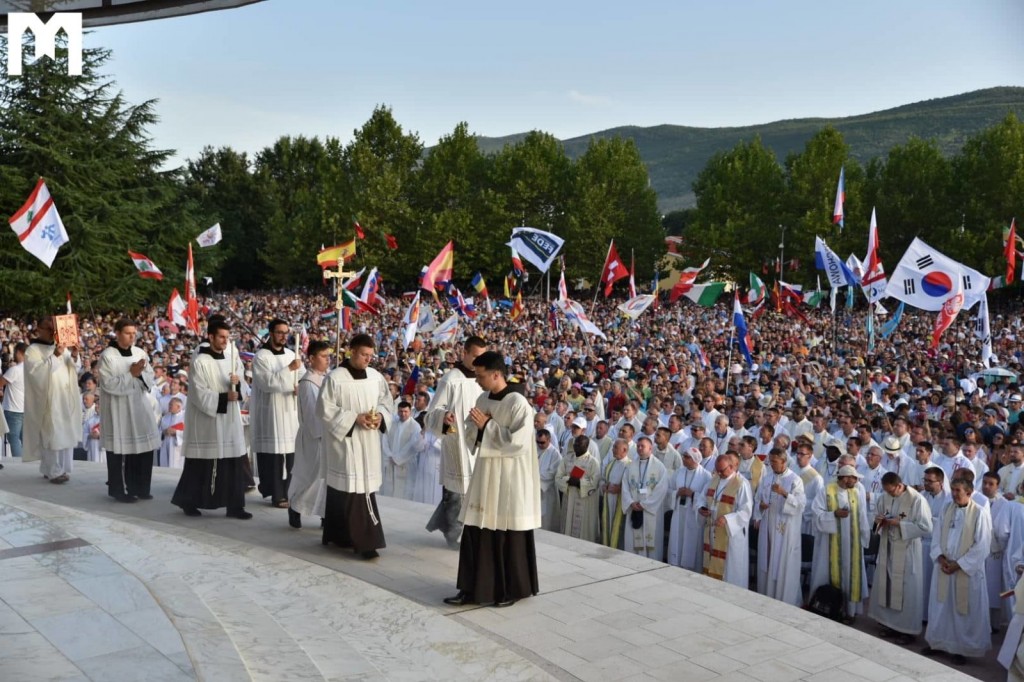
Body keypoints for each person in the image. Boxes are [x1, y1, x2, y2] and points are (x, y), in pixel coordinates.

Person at [444, 350, 541, 607]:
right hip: (485, 474)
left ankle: (509, 590)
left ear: (497, 374)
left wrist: (487, 427)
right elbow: (469, 431)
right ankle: (470, 588)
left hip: (509, 479)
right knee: (475, 531)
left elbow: (518, 444)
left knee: (505, 534)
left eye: (481, 375)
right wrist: (474, 427)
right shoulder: (482, 398)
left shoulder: (518, 404)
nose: (477, 380)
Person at [317, 333, 393, 559]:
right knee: (354, 491)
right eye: (363, 354)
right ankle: (367, 543)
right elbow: (324, 410)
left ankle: (338, 534)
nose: (368, 359)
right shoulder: (335, 378)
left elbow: (386, 402)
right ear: (351, 351)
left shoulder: (375, 376)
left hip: (368, 442)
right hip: (346, 444)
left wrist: (379, 416)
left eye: (371, 355)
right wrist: (354, 418)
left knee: (355, 489)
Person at [171, 318, 251, 519]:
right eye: (221, 337)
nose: (225, 341)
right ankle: (188, 501)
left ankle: (235, 507)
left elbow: (242, 383)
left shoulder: (232, 358)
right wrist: (225, 397)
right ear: (211, 337)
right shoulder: (200, 362)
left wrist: (238, 385)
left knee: (233, 462)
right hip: (207, 421)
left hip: (229, 420)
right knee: (201, 464)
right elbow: (198, 393)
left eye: (227, 337)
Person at [425, 336, 488, 548]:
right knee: (456, 495)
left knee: (478, 494)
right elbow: (430, 413)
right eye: (477, 357)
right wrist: (443, 417)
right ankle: (455, 537)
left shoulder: (485, 380)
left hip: (479, 446)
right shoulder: (451, 379)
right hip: (457, 445)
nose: (481, 362)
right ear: (465, 353)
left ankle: (473, 534)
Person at [923, 478, 992, 665]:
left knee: (963, 611)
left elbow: (983, 545)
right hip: (944, 567)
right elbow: (936, 535)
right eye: (952, 489)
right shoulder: (947, 509)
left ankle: (960, 649)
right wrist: (941, 558)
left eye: (958, 490)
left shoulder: (979, 513)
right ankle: (938, 643)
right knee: (941, 607)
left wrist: (959, 564)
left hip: (965, 572)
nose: (953, 493)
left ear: (969, 493)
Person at [98, 319, 160, 503]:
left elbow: (150, 378)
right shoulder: (108, 356)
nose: (132, 336)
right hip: (118, 409)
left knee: (143, 448)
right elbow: (108, 384)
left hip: (139, 405)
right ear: (117, 333)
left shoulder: (140, 352)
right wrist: (130, 374)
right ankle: (119, 490)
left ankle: (140, 488)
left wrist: (140, 373)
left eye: (134, 333)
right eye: (127, 333)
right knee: (119, 451)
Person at [868, 472, 933, 644]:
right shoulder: (884, 497)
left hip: (907, 552)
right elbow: (875, 519)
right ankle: (888, 624)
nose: (888, 494)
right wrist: (879, 521)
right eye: (886, 491)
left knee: (907, 590)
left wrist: (900, 524)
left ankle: (907, 630)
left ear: (899, 486)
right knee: (886, 584)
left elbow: (926, 527)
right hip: (887, 549)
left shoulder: (917, 500)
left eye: (891, 491)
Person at [251, 319, 304, 509]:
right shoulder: (261, 357)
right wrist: (289, 369)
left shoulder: (292, 354)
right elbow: (267, 383)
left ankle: (290, 492)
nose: (283, 336)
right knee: (274, 458)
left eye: (285, 332)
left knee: (291, 457)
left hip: (290, 412)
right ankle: (277, 494)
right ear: (271, 333)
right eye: (279, 332)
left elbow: (302, 378)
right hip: (271, 412)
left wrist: (301, 388)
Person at [23, 316, 81, 483]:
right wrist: (56, 355)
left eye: (53, 329)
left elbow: (73, 368)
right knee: (51, 435)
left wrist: (75, 355)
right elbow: (37, 374)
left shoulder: (61, 347)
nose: (51, 333)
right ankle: (53, 471)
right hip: (49, 400)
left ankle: (55, 468)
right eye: (48, 329)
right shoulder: (32, 350)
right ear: (38, 330)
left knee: (63, 433)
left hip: (64, 398)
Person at [810, 465, 870, 620]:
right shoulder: (827, 490)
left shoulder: (856, 493)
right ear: (845, 478)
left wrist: (864, 538)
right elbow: (816, 512)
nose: (856, 481)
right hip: (831, 544)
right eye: (853, 478)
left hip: (852, 546)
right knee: (831, 574)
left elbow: (862, 516)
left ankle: (849, 611)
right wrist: (834, 514)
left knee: (851, 576)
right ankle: (828, 607)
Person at [753, 448, 806, 606]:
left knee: (782, 562)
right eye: (770, 461)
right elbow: (757, 499)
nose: (771, 464)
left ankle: (784, 599)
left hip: (785, 529)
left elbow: (800, 505)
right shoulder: (767, 478)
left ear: (784, 462)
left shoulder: (795, 480)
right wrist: (760, 508)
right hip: (768, 525)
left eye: (774, 461)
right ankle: (766, 595)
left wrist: (784, 494)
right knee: (767, 560)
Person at [287, 341, 331, 529]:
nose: (327, 360)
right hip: (314, 438)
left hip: (327, 437)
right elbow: (313, 415)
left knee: (326, 479)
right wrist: (326, 431)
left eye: (328, 356)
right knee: (311, 477)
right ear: (311, 359)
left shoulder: (327, 379)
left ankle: (325, 515)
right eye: (323, 356)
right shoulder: (307, 383)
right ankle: (295, 507)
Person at [700, 451, 753, 587]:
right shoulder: (714, 480)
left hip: (730, 535)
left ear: (731, 467)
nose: (719, 473)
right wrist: (701, 507)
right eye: (717, 470)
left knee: (730, 569)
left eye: (722, 470)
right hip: (713, 530)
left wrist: (728, 519)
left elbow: (746, 511)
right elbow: (702, 497)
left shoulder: (741, 484)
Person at [621, 436, 669, 560]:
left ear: (650, 448)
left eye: (643, 446)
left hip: (650, 512)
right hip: (634, 508)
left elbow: (661, 489)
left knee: (651, 544)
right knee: (633, 543)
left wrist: (645, 504)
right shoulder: (630, 466)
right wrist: (631, 503)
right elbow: (625, 486)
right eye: (638, 446)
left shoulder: (659, 467)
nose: (640, 448)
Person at [667, 447, 712, 571]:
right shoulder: (678, 472)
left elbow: (707, 498)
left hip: (693, 515)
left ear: (694, 460)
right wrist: (677, 493)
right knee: (677, 539)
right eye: (684, 456)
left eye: (686, 457)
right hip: (678, 512)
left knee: (691, 542)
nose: (683, 459)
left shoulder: (706, 476)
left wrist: (692, 494)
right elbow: (669, 489)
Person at [556, 435, 600, 542]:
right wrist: (568, 480)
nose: (576, 446)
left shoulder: (593, 462)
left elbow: (595, 482)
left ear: (586, 445)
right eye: (575, 444)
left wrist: (579, 483)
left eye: (579, 444)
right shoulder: (567, 459)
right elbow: (558, 477)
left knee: (582, 532)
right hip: (569, 497)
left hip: (583, 501)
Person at [381, 400, 422, 500]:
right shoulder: (392, 423)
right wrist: (390, 455)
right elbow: (384, 440)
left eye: (405, 411)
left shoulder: (415, 426)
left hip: (406, 463)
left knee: (405, 491)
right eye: (400, 411)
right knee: (391, 488)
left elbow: (412, 446)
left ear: (410, 412)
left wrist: (398, 458)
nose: (403, 414)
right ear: (397, 412)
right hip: (391, 461)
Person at [598, 438, 630, 549]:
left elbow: (632, 486)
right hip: (608, 500)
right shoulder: (611, 464)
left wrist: (620, 489)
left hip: (620, 503)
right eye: (613, 447)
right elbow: (603, 478)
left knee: (618, 528)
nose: (613, 450)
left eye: (616, 447)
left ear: (624, 449)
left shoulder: (630, 466)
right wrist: (604, 485)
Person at [0, 342, 26, 458]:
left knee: (13, 438)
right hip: (25, 408)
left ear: (20, 353)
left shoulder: (15, 369)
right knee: (24, 438)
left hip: (13, 409)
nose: (14, 354)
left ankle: (19, 463)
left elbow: (1, 383)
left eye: (15, 352)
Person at [535, 427, 562, 532]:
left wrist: (535, 477)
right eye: (538, 442)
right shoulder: (534, 449)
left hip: (547, 490)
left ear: (549, 440)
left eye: (542, 442)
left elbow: (552, 473)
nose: (540, 445)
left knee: (547, 518)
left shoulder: (555, 454)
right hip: (533, 490)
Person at [157, 397, 184, 468]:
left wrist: (176, 432)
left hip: (177, 449)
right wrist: (163, 432)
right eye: (169, 405)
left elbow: (188, 434)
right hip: (165, 447)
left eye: (171, 405)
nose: (169, 407)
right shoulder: (165, 418)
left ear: (178, 406)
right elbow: (158, 432)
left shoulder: (185, 417)